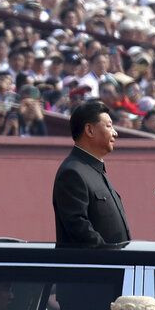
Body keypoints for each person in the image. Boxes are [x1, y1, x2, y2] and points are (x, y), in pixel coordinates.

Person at [52, 99, 130, 247]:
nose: (115, 133)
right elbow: (79, 228)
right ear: (89, 130)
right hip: (97, 267)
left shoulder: (94, 170)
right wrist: (111, 255)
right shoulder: (72, 173)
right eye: (109, 126)